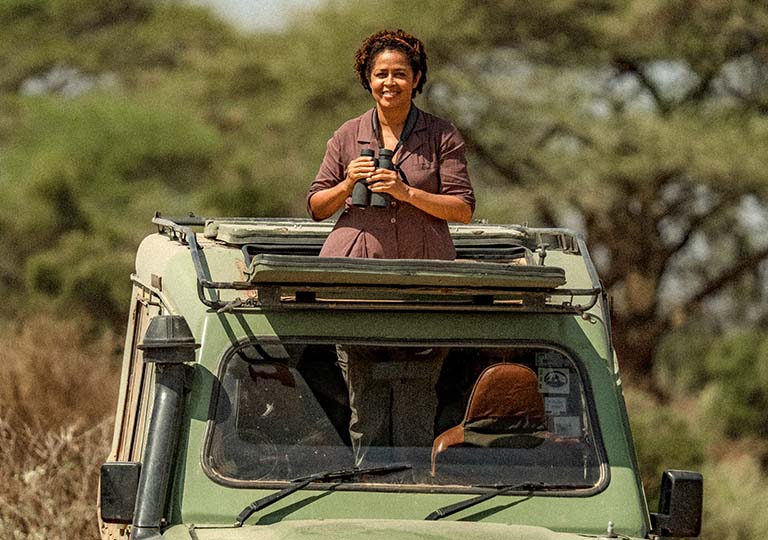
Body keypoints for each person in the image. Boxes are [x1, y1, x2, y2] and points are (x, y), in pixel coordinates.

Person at [306, 29, 475, 465]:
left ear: (417, 78)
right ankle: (371, 487)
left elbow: (463, 209)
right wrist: (349, 182)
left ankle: (413, 492)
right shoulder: (348, 134)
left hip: (425, 290)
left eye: (400, 73)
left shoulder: (441, 135)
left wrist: (406, 192)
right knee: (366, 406)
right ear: (367, 79)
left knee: (418, 401)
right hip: (358, 290)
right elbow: (316, 207)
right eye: (380, 73)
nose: (389, 82)